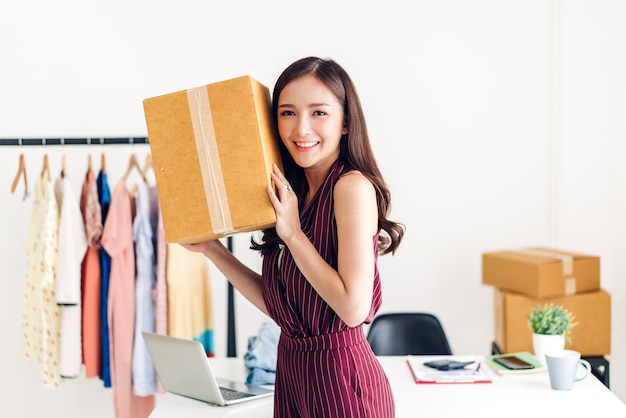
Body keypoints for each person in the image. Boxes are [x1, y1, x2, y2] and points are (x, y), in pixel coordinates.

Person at [182, 56, 405, 418]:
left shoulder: (350, 187)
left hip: (342, 382)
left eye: (319, 113)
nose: (301, 129)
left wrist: (293, 235)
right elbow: (283, 309)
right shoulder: (291, 194)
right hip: (293, 376)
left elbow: (353, 309)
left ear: (346, 122)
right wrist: (211, 249)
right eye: (287, 113)